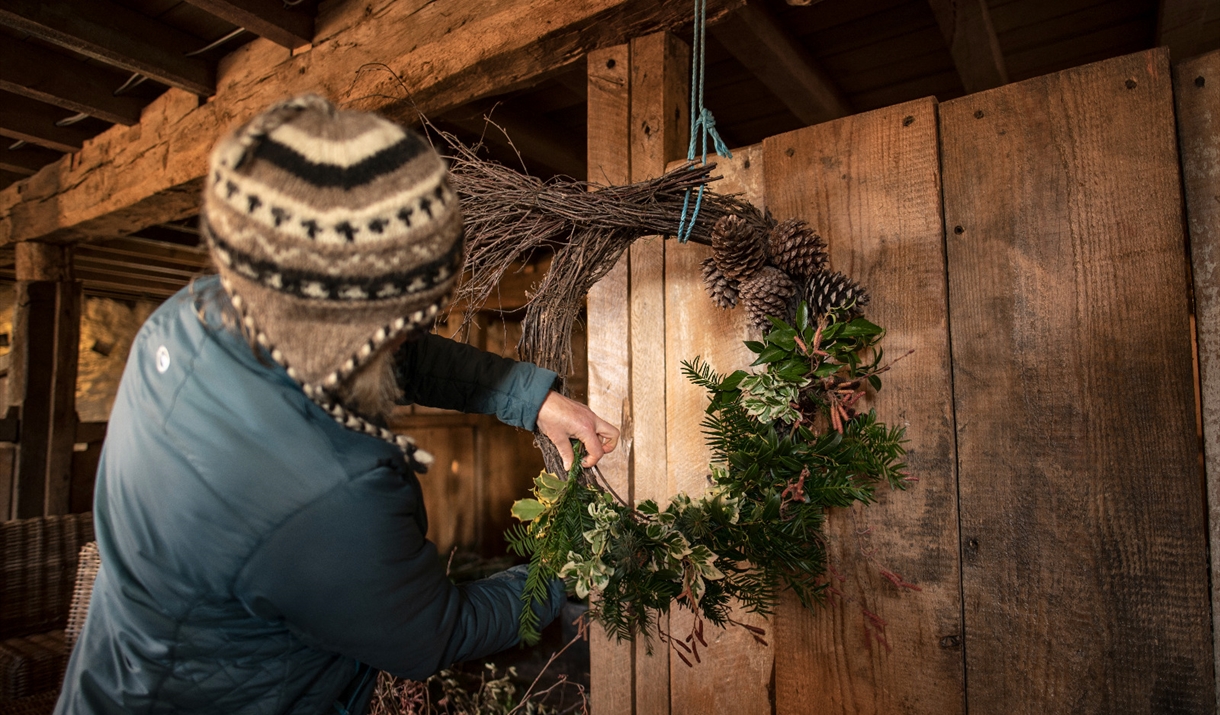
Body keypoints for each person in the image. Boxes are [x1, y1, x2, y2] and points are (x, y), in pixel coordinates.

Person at [55, 95, 619, 715]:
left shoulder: (189, 320)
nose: (420, 323)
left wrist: (530, 398)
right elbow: (432, 633)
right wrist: (565, 573)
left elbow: (400, 357)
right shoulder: (328, 490)